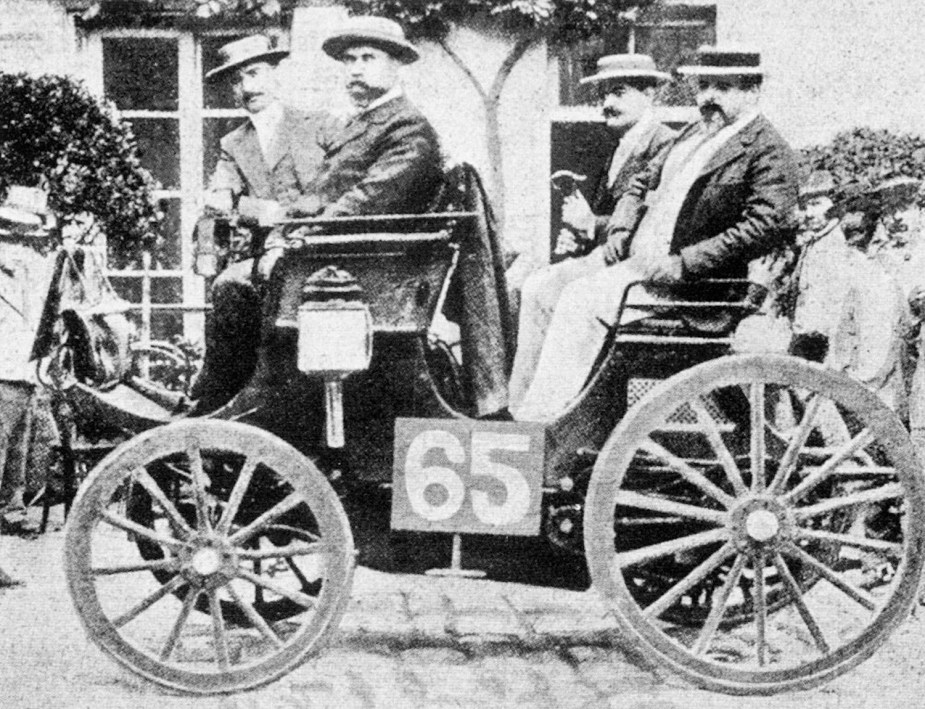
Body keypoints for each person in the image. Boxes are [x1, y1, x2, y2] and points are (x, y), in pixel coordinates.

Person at [515, 46, 800, 422]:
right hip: (643, 268)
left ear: (753, 91)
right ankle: (525, 411)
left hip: (697, 287)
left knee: (579, 301)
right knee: (544, 290)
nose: (708, 97)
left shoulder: (768, 150)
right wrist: (619, 226)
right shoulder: (696, 133)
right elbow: (640, 182)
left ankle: (546, 424)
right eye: (704, 86)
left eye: (723, 87)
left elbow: (764, 226)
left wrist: (684, 264)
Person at [192, 18, 443, 411]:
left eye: (368, 58)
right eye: (349, 60)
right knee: (235, 281)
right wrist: (283, 225)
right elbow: (320, 196)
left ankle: (240, 400)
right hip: (332, 256)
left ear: (397, 64)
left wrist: (293, 239)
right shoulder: (368, 122)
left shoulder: (405, 128)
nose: (355, 68)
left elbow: (361, 201)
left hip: (355, 267)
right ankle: (225, 397)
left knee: (233, 284)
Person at [508, 54, 677, 410]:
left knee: (547, 290)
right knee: (534, 286)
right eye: (603, 95)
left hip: (635, 268)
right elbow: (609, 220)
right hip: (608, 258)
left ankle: (543, 412)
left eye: (618, 93)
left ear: (651, 94)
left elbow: (654, 222)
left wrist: (592, 225)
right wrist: (584, 236)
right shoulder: (617, 145)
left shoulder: (665, 146)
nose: (607, 104)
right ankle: (523, 407)